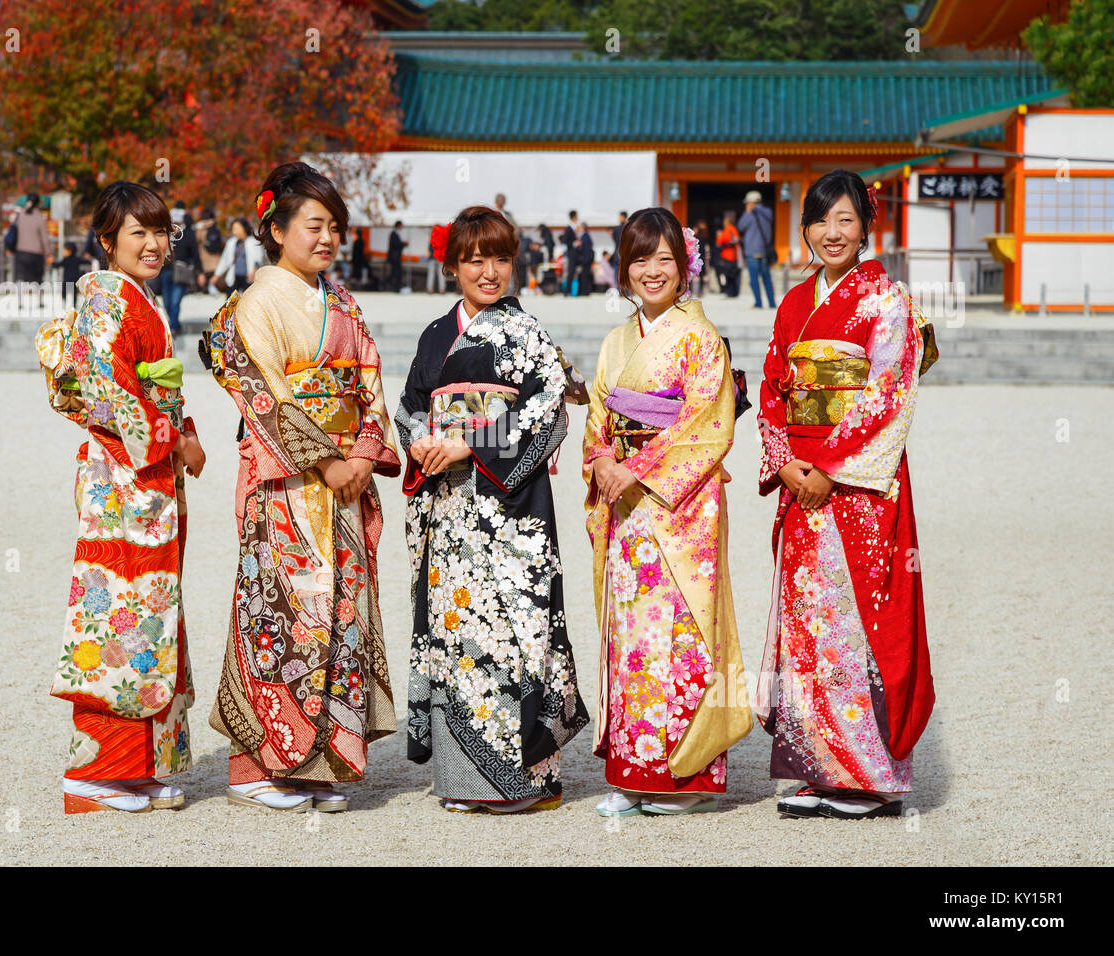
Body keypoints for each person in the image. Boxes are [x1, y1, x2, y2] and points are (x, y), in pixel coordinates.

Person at [200, 161, 401, 813]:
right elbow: (261, 391)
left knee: (338, 617)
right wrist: (324, 458)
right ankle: (257, 766)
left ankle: (321, 762)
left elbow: (368, 379)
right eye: (314, 225)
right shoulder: (258, 302)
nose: (326, 238)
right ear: (277, 229)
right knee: (284, 616)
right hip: (287, 484)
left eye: (334, 227)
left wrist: (366, 451)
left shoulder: (342, 302)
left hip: (344, 480)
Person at [754, 169, 937, 820]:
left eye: (846, 220)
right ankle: (820, 766)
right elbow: (775, 389)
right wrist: (787, 461)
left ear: (867, 227)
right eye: (821, 221)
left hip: (854, 489)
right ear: (803, 229)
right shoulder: (793, 303)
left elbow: (887, 394)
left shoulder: (887, 300)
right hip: (802, 483)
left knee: (857, 619)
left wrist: (829, 466)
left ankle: (868, 773)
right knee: (809, 623)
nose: (833, 233)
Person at [395, 204, 589, 813]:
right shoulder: (433, 335)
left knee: (515, 634)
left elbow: (549, 414)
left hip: (510, 511)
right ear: (452, 264)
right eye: (474, 259)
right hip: (449, 511)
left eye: (500, 258)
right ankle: (461, 782)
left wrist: (470, 442)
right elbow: (410, 407)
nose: (488, 271)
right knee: (455, 636)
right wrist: (421, 439)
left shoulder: (528, 334)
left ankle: (528, 782)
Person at [35, 180, 206, 814]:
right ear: (107, 242)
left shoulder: (140, 300)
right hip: (123, 480)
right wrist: (171, 438)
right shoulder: (107, 302)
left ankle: (142, 765)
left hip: (150, 478)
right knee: (120, 610)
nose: (154, 244)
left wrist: (182, 432)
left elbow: (156, 390)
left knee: (152, 612)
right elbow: (106, 393)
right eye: (138, 232)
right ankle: (98, 772)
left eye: (161, 231)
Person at [582, 207, 752, 817]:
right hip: (626, 509)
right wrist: (603, 459)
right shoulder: (616, 341)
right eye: (639, 259)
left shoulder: (701, 338)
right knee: (633, 639)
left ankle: (683, 776)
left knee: (679, 636)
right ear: (623, 270)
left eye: (665, 259)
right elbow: (599, 418)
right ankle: (634, 774)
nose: (652, 271)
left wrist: (638, 467)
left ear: (686, 267)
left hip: (682, 509)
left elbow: (709, 423)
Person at [158, 203, 199, 332]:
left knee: (175, 302)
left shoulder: (188, 234)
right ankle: (175, 325)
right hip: (166, 270)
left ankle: (173, 327)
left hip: (181, 272)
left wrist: (200, 272)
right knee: (167, 302)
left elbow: (195, 254)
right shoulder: (164, 234)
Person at [13, 192, 54, 307]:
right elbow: (44, 238)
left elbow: (13, 232)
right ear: (37, 203)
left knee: (20, 277)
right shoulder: (39, 217)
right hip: (36, 253)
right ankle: (39, 301)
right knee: (37, 278)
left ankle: (20, 302)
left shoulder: (19, 215)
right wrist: (48, 252)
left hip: (20, 251)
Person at [738, 190, 777, 308]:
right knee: (767, 278)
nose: (746, 205)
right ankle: (771, 303)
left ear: (752, 203)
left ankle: (758, 303)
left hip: (752, 251)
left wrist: (747, 212)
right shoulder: (768, 213)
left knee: (754, 279)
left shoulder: (750, 214)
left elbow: (740, 226)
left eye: (747, 203)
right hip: (764, 251)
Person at [211, 217, 258, 295]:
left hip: (248, 279)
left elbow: (258, 260)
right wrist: (217, 275)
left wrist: (253, 272)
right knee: (230, 303)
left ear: (244, 228)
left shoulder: (253, 242)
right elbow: (224, 260)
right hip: (233, 277)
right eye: (233, 229)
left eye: (237, 228)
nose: (234, 231)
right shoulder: (231, 242)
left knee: (246, 303)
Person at [715, 212, 741, 298]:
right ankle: (734, 292)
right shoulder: (734, 229)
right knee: (733, 276)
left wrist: (718, 235)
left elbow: (719, 242)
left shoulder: (727, 230)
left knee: (728, 276)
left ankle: (730, 292)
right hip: (734, 256)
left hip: (727, 256)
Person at [57, 242, 89, 308]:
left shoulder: (65, 259)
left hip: (67, 279)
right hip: (75, 279)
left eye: (64, 250)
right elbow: (85, 261)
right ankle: (74, 304)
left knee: (64, 291)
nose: (63, 252)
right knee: (74, 293)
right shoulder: (76, 259)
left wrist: (52, 263)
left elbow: (58, 264)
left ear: (69, 251)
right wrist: (88, 260)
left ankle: (65, 302)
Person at [560, 211, 579, 295]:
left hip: (572, 253)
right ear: (574, 217)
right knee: (570, 272)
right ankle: (567, 291)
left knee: (571, 272)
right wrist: (574, 243)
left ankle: (568, 291)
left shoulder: (573, 228)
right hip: (571, 253)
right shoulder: (569, 228)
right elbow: (565, 241)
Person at [425, 224, 447, 294]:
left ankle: (430, 289)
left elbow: (429, 247)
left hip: (432, 257)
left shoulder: (432, 236)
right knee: (441, 274)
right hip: (439, 257)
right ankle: (442, 289)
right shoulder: (442, 237)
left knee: (431, 273)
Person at [576, 222, 595, 296]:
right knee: (585, 275)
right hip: (587, 258)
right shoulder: (586, 236)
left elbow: (585, 249)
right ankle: (585, 290)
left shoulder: (585, 236)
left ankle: (585, 291)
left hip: (586, 259)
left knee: (584, 275)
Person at [387, 219, 406, 292]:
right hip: (394, 258)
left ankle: (396, 287)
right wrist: (403, 244)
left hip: (396, 257)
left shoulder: (396, 233)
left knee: (396, 273)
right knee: (395, 273)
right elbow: (395, 245)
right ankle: (393, 287)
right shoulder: (393, 234)